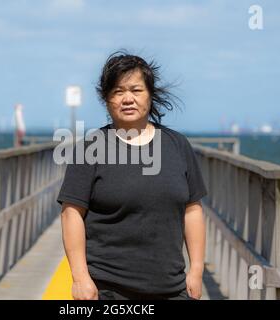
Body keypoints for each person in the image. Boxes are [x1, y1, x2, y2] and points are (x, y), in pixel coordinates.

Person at [57, 51, 207, 300]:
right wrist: (80, 277)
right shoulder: (91, 148)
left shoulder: (177, 145)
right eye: (118, 91)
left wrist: (197, 271)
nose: (127, 98)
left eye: (136, 90)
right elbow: (71, 213)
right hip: (109, 289)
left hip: (172, 288)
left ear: (150, 95)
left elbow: (193, 210)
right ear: (106, 99)